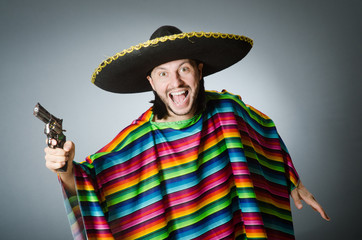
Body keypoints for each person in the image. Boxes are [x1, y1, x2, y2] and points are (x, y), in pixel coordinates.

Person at [44, 26, 329, 240]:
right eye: (163, 73)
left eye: (184, 68)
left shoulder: (227, 112)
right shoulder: (138, 139)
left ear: (199, 70)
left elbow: (264, 133)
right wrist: (66, 170)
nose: (176, 82)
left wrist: (293, 181)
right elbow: (92, 182)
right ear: (152, 83)